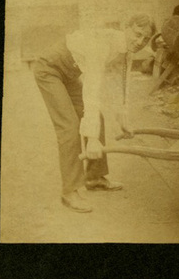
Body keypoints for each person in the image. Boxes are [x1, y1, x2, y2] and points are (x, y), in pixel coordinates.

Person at [33, 13, 156, 213]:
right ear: (127, 26)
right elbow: (92, 89)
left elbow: (121, 84)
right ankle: (69, 191)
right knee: (69, 127)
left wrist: (123, 119)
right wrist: (91, 138)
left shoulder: (126, 51)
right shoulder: (103, 44)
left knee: (95, 117)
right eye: (137, 34)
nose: (140, 41)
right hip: (50, 69)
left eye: (145, 38)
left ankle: (95, 177)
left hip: (70, 73)